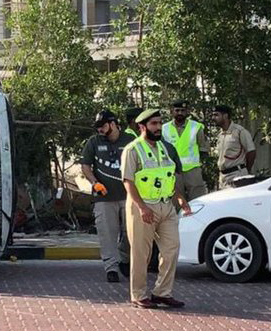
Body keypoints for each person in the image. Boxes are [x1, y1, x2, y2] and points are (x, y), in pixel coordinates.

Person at [121, 109, 191, 309]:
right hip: (142, 206)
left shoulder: (165, 148)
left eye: (160, 123)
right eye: (153, 124)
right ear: (142, 127)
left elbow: (168, 176)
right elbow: (128, 181)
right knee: (141, 253)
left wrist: (179, 198)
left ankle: (162, 292)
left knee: (172, 248)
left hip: (165, 205)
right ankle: (139, 295)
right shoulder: (132, 149)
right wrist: (142, 207)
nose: (158, 127)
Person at [81, 110, 133, 282]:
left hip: (128, 196)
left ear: (112, 124)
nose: (100, 130)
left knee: (130, 232)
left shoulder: (130, 141)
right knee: (107, 233)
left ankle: (124, 259)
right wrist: (94, 182)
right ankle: (111, 267)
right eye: (98, 127)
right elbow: (86, 166)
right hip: (104, 197)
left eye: (103, 126)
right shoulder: (94, 142)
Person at [162, 99, 209, 200]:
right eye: (177, 110)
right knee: (176, 202)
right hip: (173, 171)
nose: (180, 113)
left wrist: (201, 167)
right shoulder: (163, 129)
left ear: (187, 112)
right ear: (172, 111)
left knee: (198, 200)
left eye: (183, 110)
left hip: (192, 171)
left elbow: (203, 150)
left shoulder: (196, 127)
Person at [211, 104, 256, 189]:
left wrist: (246, 169)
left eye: (216, 115)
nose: (213, 118)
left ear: (225, 116)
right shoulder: (220, 135)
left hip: (237, 175)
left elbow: (251, 151)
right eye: (213, 115)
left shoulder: (239, 131)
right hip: (223, 177)